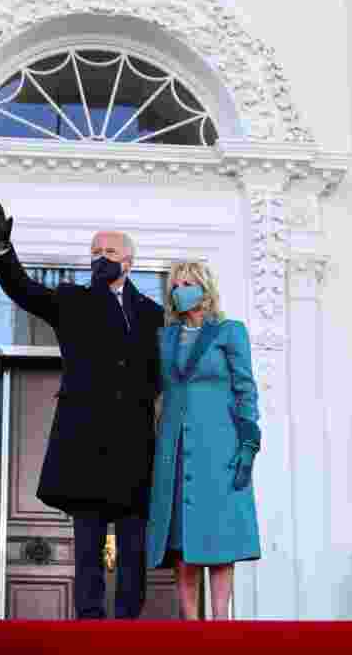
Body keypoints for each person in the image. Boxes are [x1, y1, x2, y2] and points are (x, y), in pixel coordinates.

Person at [0, 197, 164, 619]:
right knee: (88, 546)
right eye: (95, 252)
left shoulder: (153, 314)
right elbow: (23, 290)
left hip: (135, 443)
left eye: (109, 253)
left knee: (134, 546)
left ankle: (129, 626)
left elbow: (164, 373)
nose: (101, 258)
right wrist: (4, 251)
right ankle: (89, 629)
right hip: (86, 441)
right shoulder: (72, 301)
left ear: (128, 262)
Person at [145, 259, 262, 620]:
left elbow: (246, 389)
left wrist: (248, 443)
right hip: (175, 446)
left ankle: (221, 621)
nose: (182, 290)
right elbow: (158, 388)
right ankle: (191, 623)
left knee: (220, 535)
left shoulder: (229, 332)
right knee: (181, 541)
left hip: (220, 444)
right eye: (176, 285)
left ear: (205, 288)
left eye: (189, 283)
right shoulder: (165, 338)